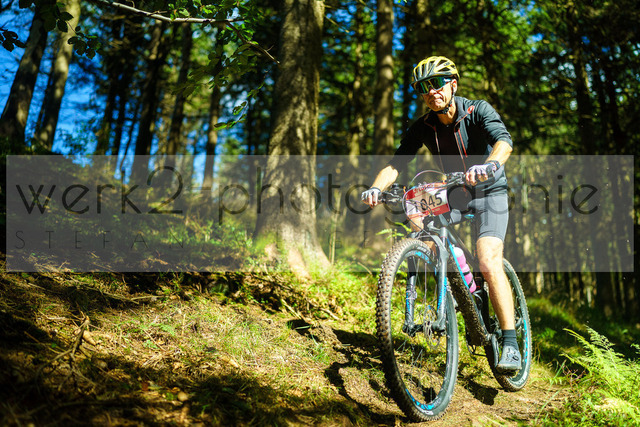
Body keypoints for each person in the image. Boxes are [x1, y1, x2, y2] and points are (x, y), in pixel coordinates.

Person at [361, 56, 521, 371]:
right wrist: (376, 188)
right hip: (456, 191)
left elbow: (504, 142)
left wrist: (489, 164)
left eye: (436, 83)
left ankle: (511, 342)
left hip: (490, 191)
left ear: (453, 84)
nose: (431, 91)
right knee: (417, 213)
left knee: (488, 259)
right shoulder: (424, 126)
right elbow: (396, 163)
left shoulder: (477, 110)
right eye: (423, 87)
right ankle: (458, 283)